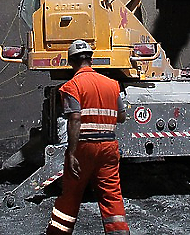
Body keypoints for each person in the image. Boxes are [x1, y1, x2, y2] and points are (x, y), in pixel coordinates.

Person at [46, 40, 130, 235]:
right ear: (91, 59)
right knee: (111, 195)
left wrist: (71, 153)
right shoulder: (112, 85)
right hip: (109, 147)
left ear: (71, 62)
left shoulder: (71, 86)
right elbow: (122, 116)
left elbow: (75, 119)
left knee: (71, 195)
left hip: (84, 148)